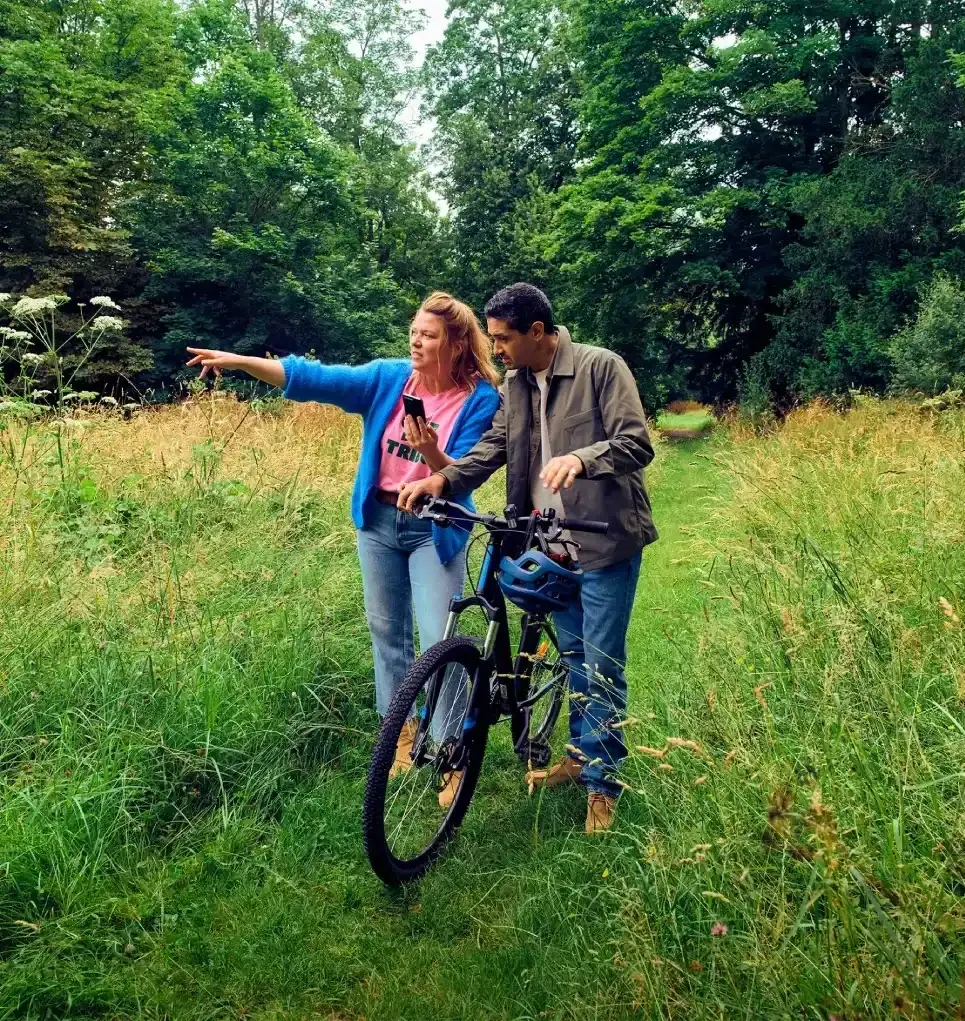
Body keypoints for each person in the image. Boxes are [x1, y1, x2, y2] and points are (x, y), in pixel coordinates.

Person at [186, 292, 501, 807]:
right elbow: (314, 378)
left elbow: (462, 473)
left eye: (429, 335)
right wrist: (240, 362)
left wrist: (430, 454)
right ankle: (399, 734)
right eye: (415, 331)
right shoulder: (388, 378)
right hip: (378, 522)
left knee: (437, 637)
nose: (416, 341)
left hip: (433, 527)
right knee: (386, 632)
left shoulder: (481, 397)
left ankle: (451, 750)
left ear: (457, 342)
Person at [399, 282, 657, 834]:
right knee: (571, 657)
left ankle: (604, 786)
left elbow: (637, 442)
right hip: (549, 544)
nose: (496, 350)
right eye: (493, 338)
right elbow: (493, 447)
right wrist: (441, 478)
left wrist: (583, 460)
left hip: (605, 541)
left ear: (538, 332)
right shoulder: (516, 385)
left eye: (503, 338)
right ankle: (580, 756)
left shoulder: (601, 368)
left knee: (600, 667)